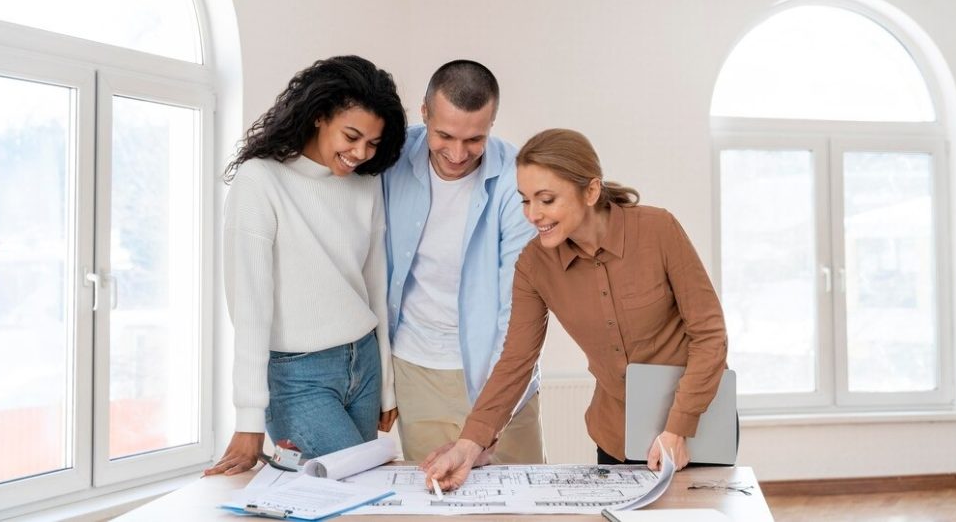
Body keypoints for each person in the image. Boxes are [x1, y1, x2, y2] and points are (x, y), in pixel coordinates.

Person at [424, 128, 728, 490]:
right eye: (525, 200)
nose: (533, 214)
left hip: (697, 430)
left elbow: (710, 336)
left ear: (591, 191)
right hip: (617, 438)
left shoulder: (658, 229)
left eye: (546, 199)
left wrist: (678, 427)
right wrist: (470, 444)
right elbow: (515, 362)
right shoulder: (534, 265)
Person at [204, 55, 407, 476]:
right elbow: (251, 308)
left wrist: (386, 384)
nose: (360, 153)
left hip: (364, 362)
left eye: (371, 143)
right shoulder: (259, 181)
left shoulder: (366, 183)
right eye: (351, 136)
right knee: (363, 496)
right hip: (299, 377)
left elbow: (375, 284)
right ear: (319, 117)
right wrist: (248, 421)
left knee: (350, 500)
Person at [383, 60, 544, 464]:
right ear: (424, 113)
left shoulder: (516, 177)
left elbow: (518, 302)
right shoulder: (392, 159)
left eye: (475, 139)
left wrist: (493, 407)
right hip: (416, 367)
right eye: (445, 135)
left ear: (492, 122)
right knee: (435, 500)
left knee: (517, 505)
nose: (457, 154)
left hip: (498, 372)